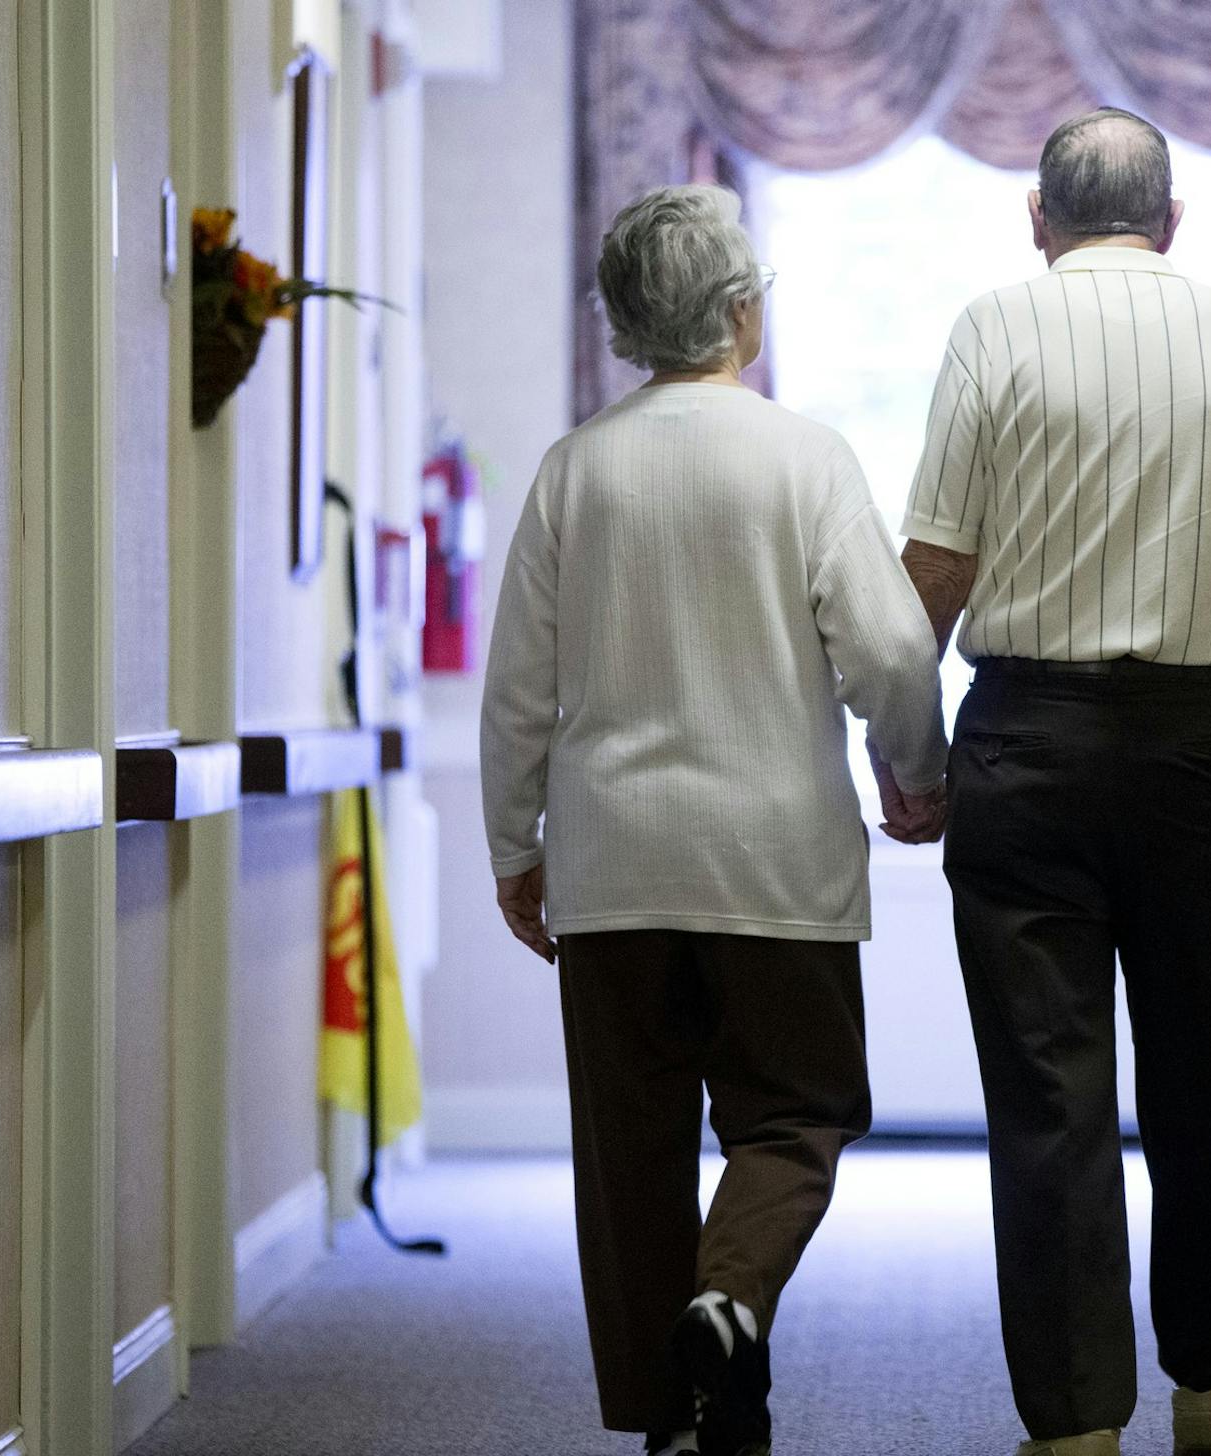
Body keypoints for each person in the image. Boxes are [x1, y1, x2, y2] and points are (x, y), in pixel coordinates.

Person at [884, 108, 1211, 1456]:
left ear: (1038, 219)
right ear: (1173, 220)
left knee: (1048, 1101)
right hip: (1208, 746)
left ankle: (1078, 1424)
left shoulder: (994, 329)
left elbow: (936, 567)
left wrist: (910, 757)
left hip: (1025, 742)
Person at [480, 183, 948, 1456]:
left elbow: (518, 689)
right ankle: (728, 1301)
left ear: (629, 326)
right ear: (742, 312)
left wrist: (515, 851)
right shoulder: (805, 458)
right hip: (774, 862)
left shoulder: (574, 472)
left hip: (612, 867)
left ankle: (668, 1417)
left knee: (629, 1158)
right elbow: (896, 657)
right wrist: (917, 773)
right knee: (795, 1118)